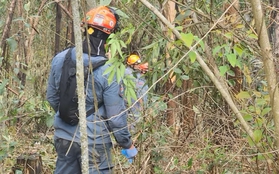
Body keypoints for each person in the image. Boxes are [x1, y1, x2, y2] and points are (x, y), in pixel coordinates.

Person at [46, 6, 137, 174]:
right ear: (110, 37)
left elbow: (52, 98)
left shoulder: (60, 58)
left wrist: (69, 116)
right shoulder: (111, 71)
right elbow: (116, 119)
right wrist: (127, 144)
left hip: (64, 138)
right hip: (95, 143)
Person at [124, 52, 149, 132]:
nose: (139, 66)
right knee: (134, 120)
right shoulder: (129, 73)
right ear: (132, 65)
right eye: (137, 64)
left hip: (134, 102)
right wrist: (142, 106)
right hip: (134, 102)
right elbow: (137, 90)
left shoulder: (135, 73)